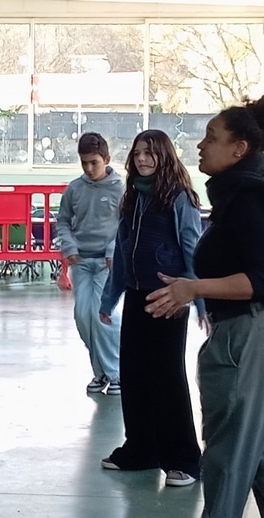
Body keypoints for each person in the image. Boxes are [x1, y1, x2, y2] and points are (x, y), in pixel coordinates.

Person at [144, 95, 264, 517]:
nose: (201, 146)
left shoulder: (248, 199)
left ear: (239, 149)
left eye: (212, 137)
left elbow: (263, 280)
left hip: (255, 333)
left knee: (229, 456)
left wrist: (193, 289)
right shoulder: (243, 195)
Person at [98, 129, 205, 487]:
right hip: (136, 295)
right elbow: (122, 250)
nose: (143, 159)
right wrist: (109, 298)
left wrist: (198, 299)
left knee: (167, 378)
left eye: (150, 153)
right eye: (138, 153)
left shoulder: (179, 198)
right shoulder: (133, 199)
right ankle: (142, 449)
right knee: (134, 375)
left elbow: (192, 248)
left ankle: (185, 459)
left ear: (165, 156)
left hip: (168, 299)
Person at [56, 132, 125, 395]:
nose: (88, 168)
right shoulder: (74, 188)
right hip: (82, 261)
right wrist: (69, 246)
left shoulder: (120, 188)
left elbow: (126, 224)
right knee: (83, 316)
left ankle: (117, 372)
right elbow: (63, 221)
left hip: (108, 264)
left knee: (102, 316)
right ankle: (101, 373)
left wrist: (113, 249)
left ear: (106, 159)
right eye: (84, 162)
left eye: (94, 162)